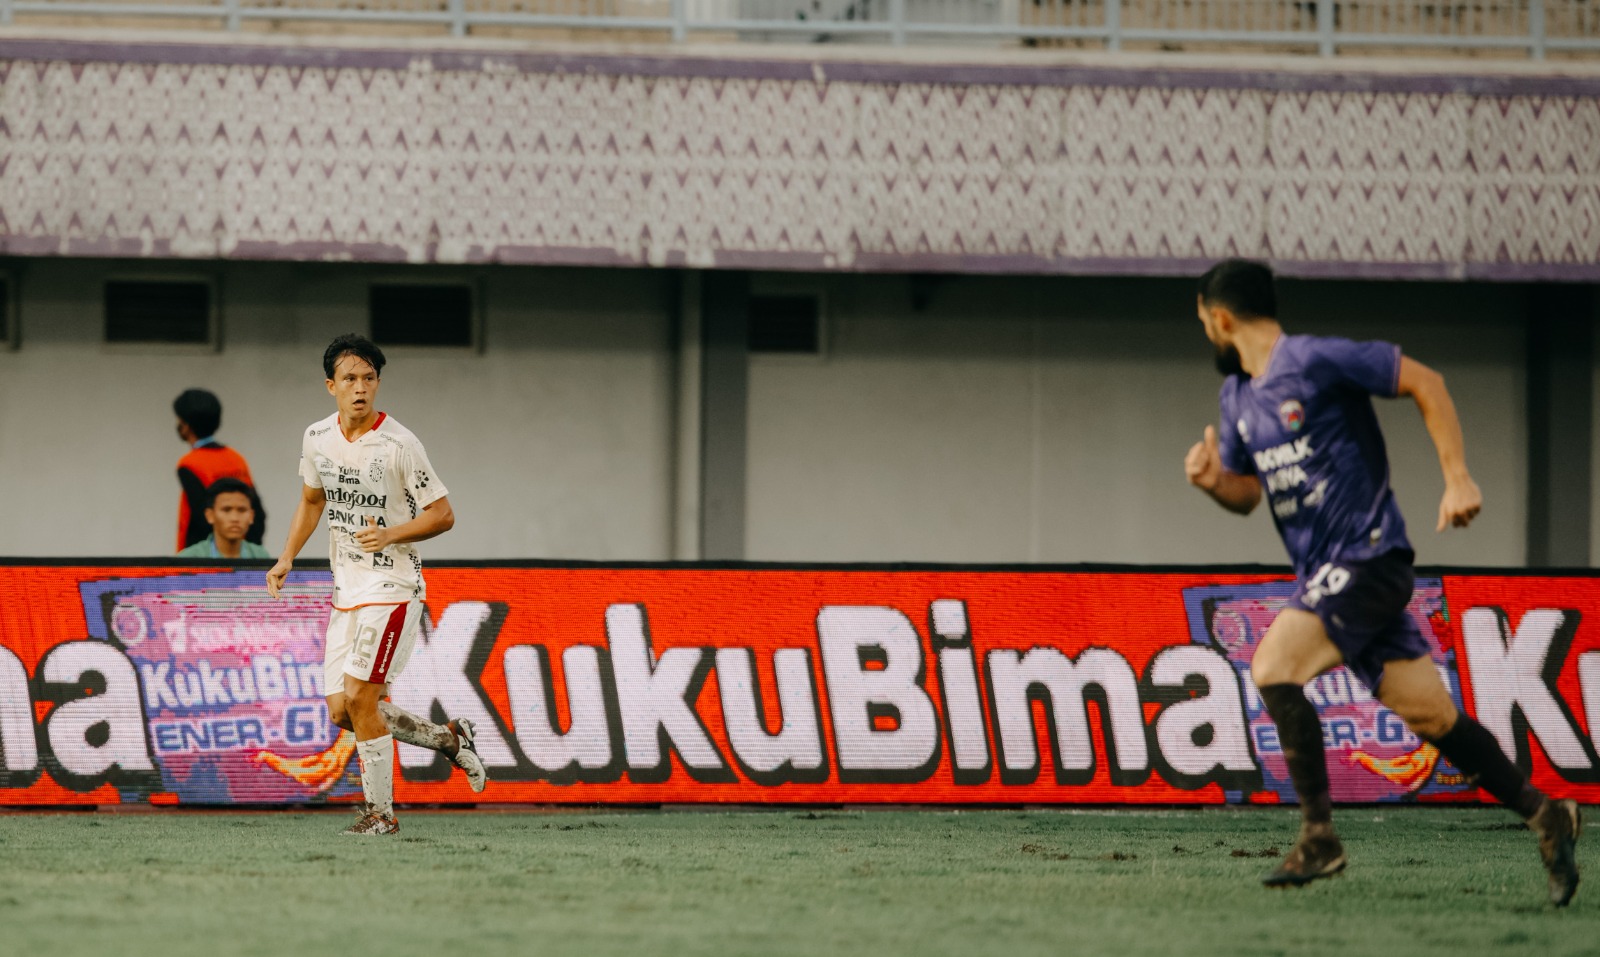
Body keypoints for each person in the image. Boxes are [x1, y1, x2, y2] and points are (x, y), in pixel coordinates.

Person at [1183, 259, 1581, 905]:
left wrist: (1457, 477)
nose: (1207, 336)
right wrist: (1211, 483)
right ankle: (1547, 815)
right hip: (1331, 576)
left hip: (1369, 558)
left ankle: (1320, 836)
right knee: (1432, 714)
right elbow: (1247, 494)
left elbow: (1425, 380)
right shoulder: (1236, 400)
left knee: (1273, 665)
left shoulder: (1314, 361)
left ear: (1221, 317)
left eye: (1204, 323)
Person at [265, 334, 486, 835]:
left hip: (392, 585)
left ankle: (381, 816)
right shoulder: (317, 437)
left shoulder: (399, 444)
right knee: (343, 711)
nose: (360, 388)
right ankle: (450, 741)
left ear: (378, 383)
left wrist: (390, 533)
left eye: (368, 378)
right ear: (331, 386)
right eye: (349, 379)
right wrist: (286, 557)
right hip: (346, 591)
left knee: (364, 700)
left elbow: (443, 515)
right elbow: (312, 501)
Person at [175, 388, 266, 551]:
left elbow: (201, 518)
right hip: (239, 555)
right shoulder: (236, 458)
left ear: (186, 425)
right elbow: (258, 514)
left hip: (201, 560)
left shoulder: (189, 463)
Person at [176, 478, 274, 559]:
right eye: (226, 510)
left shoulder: (260, 556)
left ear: (251, 516)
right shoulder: (189, 558)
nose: (235, 518)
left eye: (241, 510)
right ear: (210, 515)